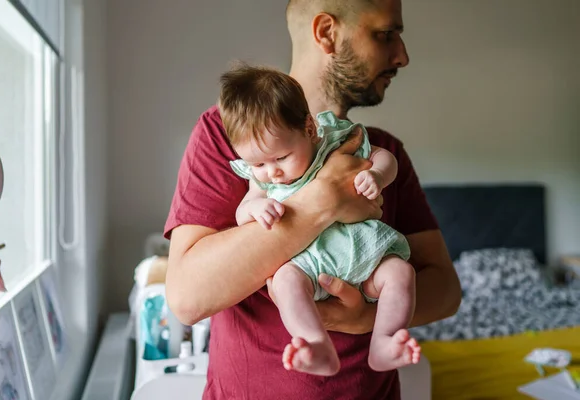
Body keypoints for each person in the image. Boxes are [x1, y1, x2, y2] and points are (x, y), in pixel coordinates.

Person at [164, 0, 462, 398]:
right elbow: (187, 298)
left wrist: (366, 318)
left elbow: (445, 289)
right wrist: (323, 199)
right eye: (386, 34)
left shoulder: (382, 153)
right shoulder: (228, 137)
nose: (402, 56)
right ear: (326, 33)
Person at [219, 64, 421, 376]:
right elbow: (244, 208)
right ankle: (316, 345)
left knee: (400, 273)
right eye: (257, 163)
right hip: (309, 266)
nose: (272, 172)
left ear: (309, 130)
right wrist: (256, 209)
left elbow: (384, 158)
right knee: (285, 281)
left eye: (281, 158)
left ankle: (384, 342)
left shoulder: (335, 143)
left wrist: (376, 175)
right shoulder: (262, 180)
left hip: (363, 251)